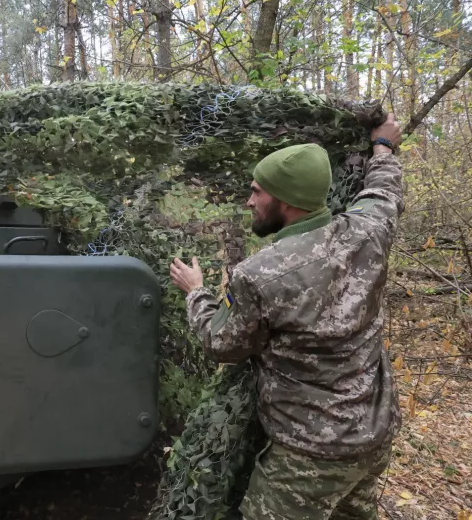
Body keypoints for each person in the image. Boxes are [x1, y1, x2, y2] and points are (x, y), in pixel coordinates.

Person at [169, 114, 405, 520]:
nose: (249, 201)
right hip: (374, 436)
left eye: (257, 192)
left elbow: (222, 345)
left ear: (288, 201)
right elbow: (385, 190)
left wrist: (196, 292)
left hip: (308, 457)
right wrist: (383, 147)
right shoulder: (369, 230)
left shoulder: (260, 275)